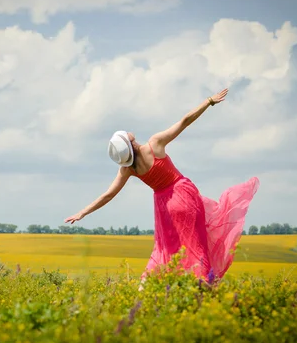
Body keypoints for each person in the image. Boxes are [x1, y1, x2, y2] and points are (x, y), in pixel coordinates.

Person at [64, 88, 260, 283]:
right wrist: (208, 101)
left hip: (164, 207)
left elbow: (108, 195)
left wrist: (82, 212)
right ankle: (203, 286)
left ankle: (148, 286)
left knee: (165, 250)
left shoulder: (128, 169)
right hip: (183, 194)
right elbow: (185, 121)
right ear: (130, 143)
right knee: (195, 247)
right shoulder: (154, 144)